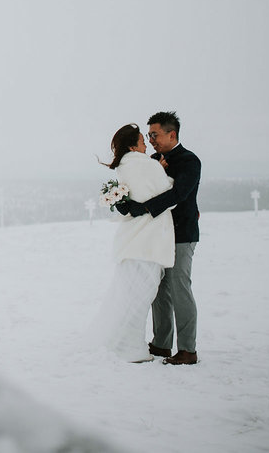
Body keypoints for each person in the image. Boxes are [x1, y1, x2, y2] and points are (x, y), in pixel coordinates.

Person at [116, 111, 201, 366]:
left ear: (171, 134)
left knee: (179, 289)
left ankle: (187, 349)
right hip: (156, 236)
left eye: (155, 134)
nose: (151, 140)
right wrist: (123, 202)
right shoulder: (152, 160)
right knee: (158, 290)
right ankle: (162, 344)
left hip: (181, 234)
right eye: (148, 135)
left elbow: (178, 194)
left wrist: (144, 208)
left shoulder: (189, 161)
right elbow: (140, 189)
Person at [91, 123, 175, 363]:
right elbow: (169, 196)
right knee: (141, 298)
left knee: (129, 297)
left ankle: (123, 343)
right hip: (148, 242)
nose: (146, 143)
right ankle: (130, 349)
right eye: (141, 139)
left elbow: (133, 201)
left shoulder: (123, 169)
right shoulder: (148, 164)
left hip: (129, 241)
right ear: (132, 145)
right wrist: (163, 172)